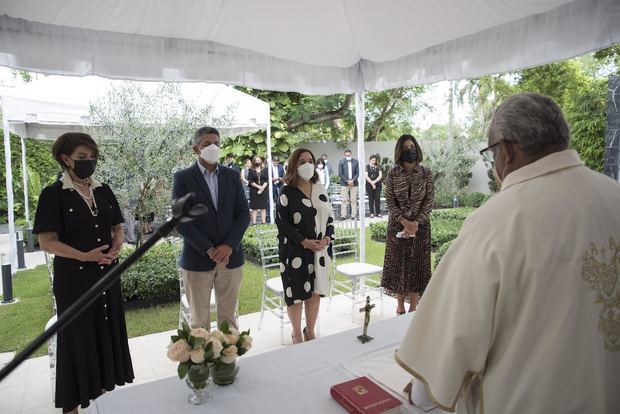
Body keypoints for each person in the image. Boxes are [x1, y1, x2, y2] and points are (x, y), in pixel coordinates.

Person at [396, 93, 620, 413]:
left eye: (491, 155)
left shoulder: (497, 220)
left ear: (507, 150)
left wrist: (421, 392)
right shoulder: (614, 195)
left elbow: (450, 337)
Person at [33, 132, 134, 413]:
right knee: (78, 336)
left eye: (92, 157)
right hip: (74, 278)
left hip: (106, 273)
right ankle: (73, 405)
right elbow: (47, 241)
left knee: (103, 330)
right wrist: (84, 256)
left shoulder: (103, 190)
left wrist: (116, 246)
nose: (88, 162)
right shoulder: (53, 194)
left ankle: (100, 397)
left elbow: (117, 227)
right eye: (81, 158)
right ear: (65, 159)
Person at [172, 127, 250, 330]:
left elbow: (243, 213)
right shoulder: (183, 178)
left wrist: (229, 246)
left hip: (231, 259)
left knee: (229, 319)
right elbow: (180, 220)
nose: (213, 147)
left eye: (216, 143)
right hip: (197, 259)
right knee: (199, 321)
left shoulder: (232, 176)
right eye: (207, 144)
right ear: (195, 149)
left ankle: (227, 360)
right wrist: (209, 248)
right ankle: (201, 362)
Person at [276, 148, 334, 344]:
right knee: (296, 295)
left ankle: (309, 331)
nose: (307, 164)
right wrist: (304, 242)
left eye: (310, 160)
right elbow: (282, 223)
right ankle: (296, 334)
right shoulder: (286, 192)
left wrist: (327, 239)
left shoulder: (320, 189)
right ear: (294, 165)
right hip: (294, 252)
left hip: (319, 251)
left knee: (314, 292)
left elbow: (330, 218)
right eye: (302, 161)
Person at [381, 135, 434, 315]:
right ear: (399, 151)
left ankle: (414, 307)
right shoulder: (392, 173)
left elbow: (429, 201)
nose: (409, 150)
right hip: (397, 227)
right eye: (405, 148)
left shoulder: (426, 172)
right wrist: (404, 222)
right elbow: (389, 202)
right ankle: (400, 307)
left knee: (417, 266)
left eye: (412, 146)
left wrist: (416, 223)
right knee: (399, 266)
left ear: (417, 148)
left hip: (421, 228)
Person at [337, 149, 359, 220]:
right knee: (344, 200)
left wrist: (352, 180)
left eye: (349, 155)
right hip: (344, 183)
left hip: (354, 183)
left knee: (353, 199)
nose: (348, 156)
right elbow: (340, 173)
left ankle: (353, 215)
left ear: (351, 154)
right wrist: (347, 181)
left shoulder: (356, 162)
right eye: (346, 155)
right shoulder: (341, 162)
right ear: (344, 155)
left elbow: (357, 173)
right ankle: (343, 215)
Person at [248, 155, 269, 224]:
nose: (257, 161)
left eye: (258, 160)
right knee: (254, 207)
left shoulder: (265, 169)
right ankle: (254, 223)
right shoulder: (251, 170)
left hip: (264, 189)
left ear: (261, 161)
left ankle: (263, 223)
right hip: (254, 190)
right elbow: (250, 181)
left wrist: (262, 187)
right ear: (254, 162)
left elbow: (267, 179)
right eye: (256, 160)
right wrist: (258, 187)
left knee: (263, 207)